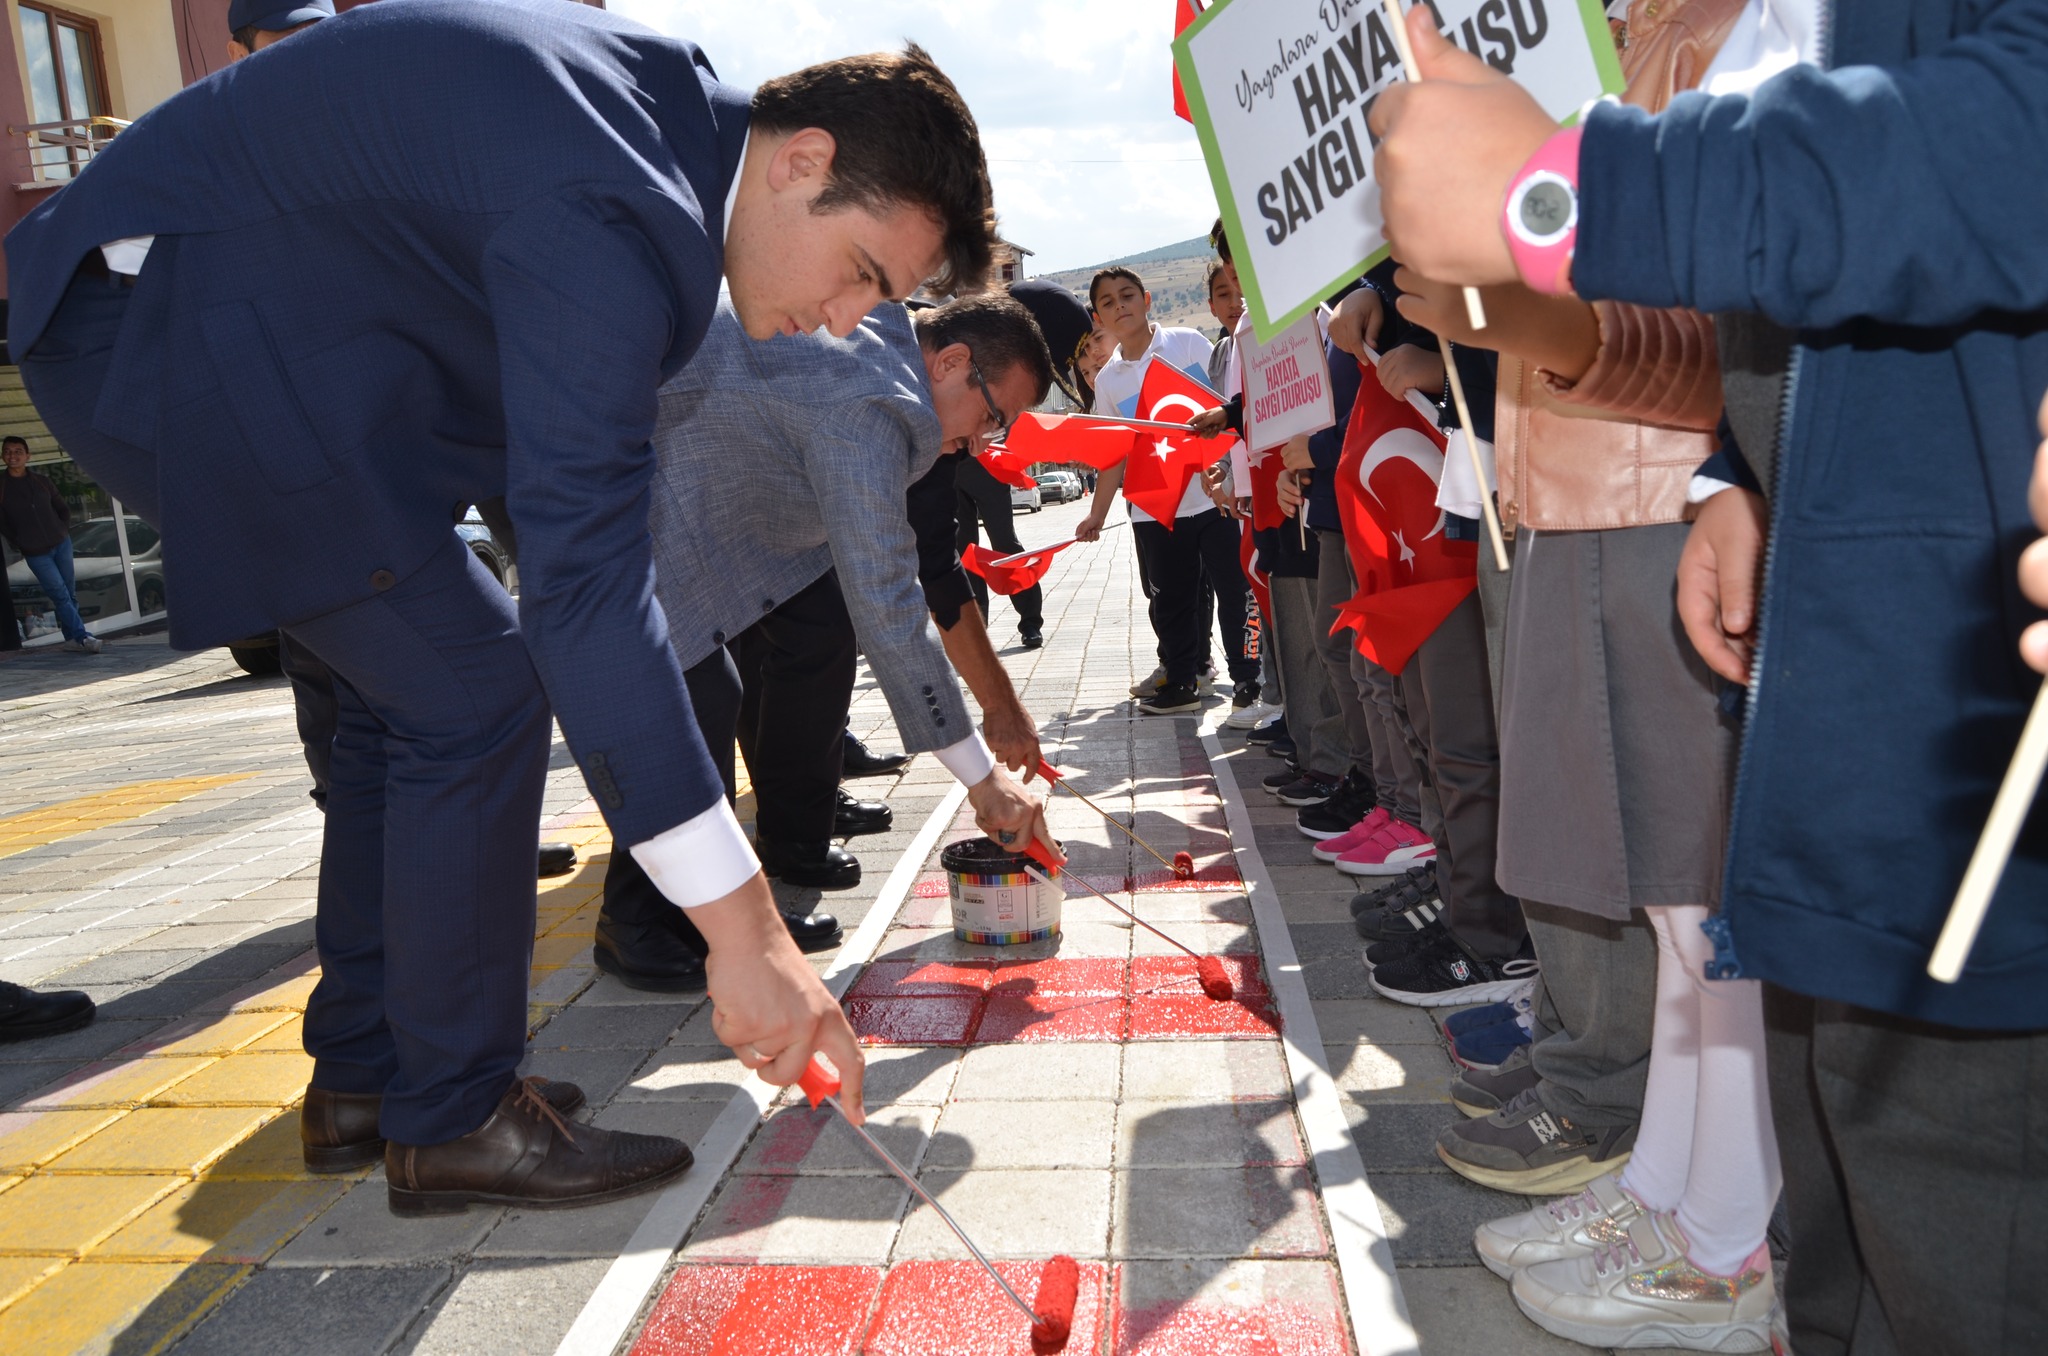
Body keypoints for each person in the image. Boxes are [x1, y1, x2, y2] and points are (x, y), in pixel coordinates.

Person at [8, 0, 1004, 1214]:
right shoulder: (612, 204)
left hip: (249, 344)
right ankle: (453, 1116)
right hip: (174, 338)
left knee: (408, 699)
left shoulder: (653, 126)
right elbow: (584, 585)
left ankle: (376, 1077)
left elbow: (562, 506)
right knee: (471, 689)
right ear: (804, 160)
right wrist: (748, 933)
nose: (849, 323)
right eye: (862, 275)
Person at [1373, 2, 2048, 1351]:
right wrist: (1741, 472)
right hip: (1863, 666)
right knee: (1848, 1170)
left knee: (1967, 1219)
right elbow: (1778, 312)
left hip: (1973, 696)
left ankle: (1714, 1229)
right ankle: (1710, 1218)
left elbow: (1990, 142)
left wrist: (1563, 193)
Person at [597, 293, 1060, 991]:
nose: (984, 442)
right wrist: (982, 779)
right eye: (994, 417)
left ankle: (698, 909)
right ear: (953, 362)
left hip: (669, 489)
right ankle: (637, 926)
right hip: (601, 484)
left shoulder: (882, 348)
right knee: (692, 702)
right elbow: (888, 597)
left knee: (714, 690)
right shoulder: (870, 402)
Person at [1078, 266, 1252, 715]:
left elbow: (1226, 410)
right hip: (1155, 508)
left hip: (1214, 499)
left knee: (1235, 593)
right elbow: (1113, 454)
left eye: (1128, 296)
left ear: (1147, 299)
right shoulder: (1109, 382)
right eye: (1108, 302)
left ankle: (1248, 683)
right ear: (1098, 316)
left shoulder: (1187, 343)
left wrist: (1226, 474)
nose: (1120, 306)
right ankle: (1181, 683)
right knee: (1171, 600)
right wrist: (1096, 514)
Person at [0, 436, 98, 653]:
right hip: (35, 552)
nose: (12, 455)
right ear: (2, 456)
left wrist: (61, 530)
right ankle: (83, 637)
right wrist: (19, 542)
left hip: (61, 544)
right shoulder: (2, 486)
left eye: (18, 451)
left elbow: (62, 509)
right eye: (8, 451)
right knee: (59, 593)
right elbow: (3, 523)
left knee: (70, 593)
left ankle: (71, 640)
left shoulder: (42, 481)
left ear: (27, 456)